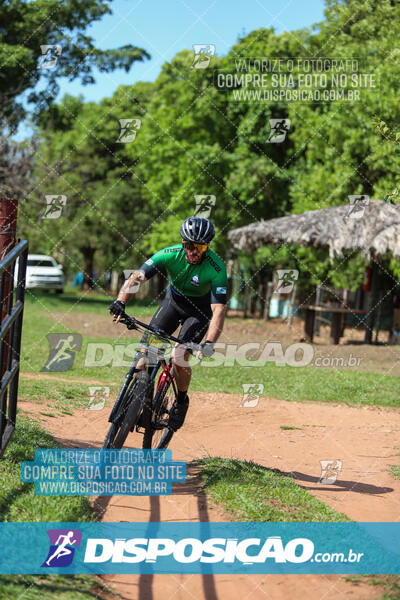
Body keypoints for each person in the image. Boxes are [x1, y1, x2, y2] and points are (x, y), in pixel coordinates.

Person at [109, 216, 228, 432]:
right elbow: (137, 277)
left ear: (207, 246)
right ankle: (137, 401)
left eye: (200, 246)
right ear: (183, 243)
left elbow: (218, 309)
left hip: (199, 312)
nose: (194, 251)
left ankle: (181, 400)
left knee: (179, 356)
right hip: (173, 303)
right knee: (145, 355)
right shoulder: (169, 254)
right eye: (190, 245)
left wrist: (210, 341)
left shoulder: (217, 268)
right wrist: (120, 301)